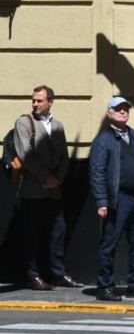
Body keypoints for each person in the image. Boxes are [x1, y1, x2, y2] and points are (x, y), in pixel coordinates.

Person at [89, 96, 134, 302]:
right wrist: (101, 201)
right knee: (110, 243)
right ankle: (105, 287)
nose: (123, 112)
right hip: (117, 198)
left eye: (125, 109)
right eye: (118, 109)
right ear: (109, 113)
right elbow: (97, 171)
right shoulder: (104, 139)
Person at [14, 85, 83, 291]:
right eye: (34, 100)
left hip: (54, 190)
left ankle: (57, 273)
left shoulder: (58, 126)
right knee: (31, 233)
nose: (35, 104)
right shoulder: (24, 122)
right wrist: (46, 177)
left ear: (50, 102)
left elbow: (64, 156)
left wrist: (58, 180)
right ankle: (32, 275)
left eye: (40, 100)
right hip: (33, 189)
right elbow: (25, 154)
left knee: (57, 232)